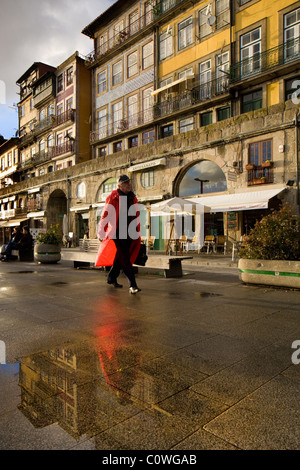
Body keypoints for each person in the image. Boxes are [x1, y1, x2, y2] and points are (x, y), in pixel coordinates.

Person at [96, 175, 141, 294]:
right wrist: (101, 232)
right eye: (126, 183)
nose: (128, 185)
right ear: (119, 185)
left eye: (129, 183)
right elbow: (105, 215)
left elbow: (135, 216)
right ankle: (133, 285)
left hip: (130, 232)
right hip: (117, 232)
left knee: (119, 258)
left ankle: (111, 278)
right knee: (125, 259)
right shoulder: (113, 198)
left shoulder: (132, 197)